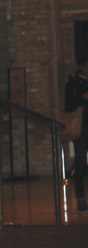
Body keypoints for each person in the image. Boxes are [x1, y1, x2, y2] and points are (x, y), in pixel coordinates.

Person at [63, 50, 88, 213]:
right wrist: (83, 98)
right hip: (81, 128)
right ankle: (80, 200)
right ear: (82, 66)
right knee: (80, 163)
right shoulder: (73, 83)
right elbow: (69, 106)